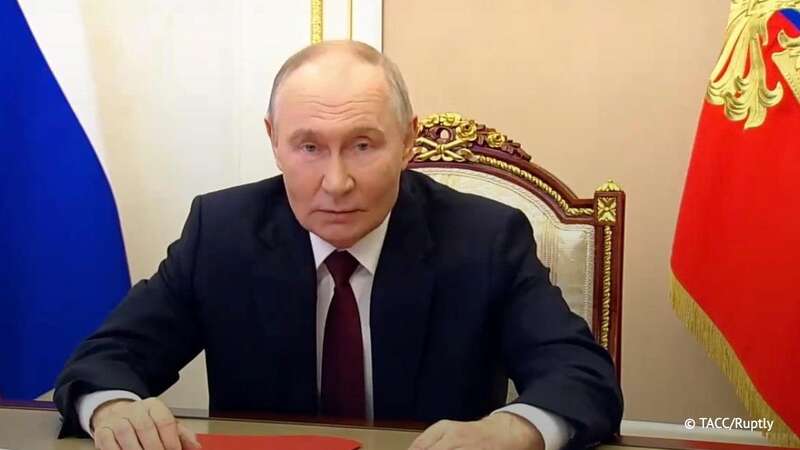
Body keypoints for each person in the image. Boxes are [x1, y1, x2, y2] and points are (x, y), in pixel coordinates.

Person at [54, 40, 623, 450]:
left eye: (363, 145)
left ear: (408, 140)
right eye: (309, 147)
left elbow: (582, 377)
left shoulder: (485, 238)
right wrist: (115, 407)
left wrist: (515, 428)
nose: (336, 182)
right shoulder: (221, 232)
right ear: (273, 140)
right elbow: (104, 360)